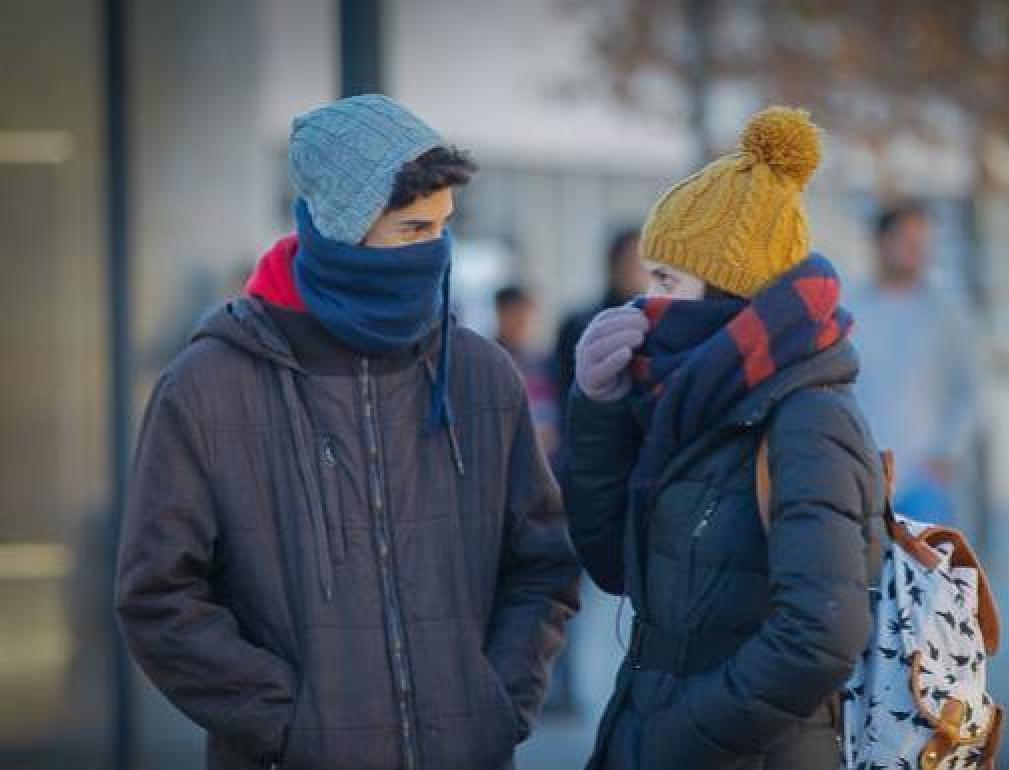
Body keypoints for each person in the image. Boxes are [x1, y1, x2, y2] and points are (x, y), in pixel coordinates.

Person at [115, 95, 579, 770]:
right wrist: (288, 723)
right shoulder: (208, 386)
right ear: (340, 225)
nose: (436, 251)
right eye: (413, 229)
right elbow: (158, 596)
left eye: (443, 228)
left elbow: (541, 563)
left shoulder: (482, 375)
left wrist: (496, 703)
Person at [564, 107, 882, 770]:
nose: (643, 304)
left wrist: (673, 742)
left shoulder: (807, 420)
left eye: (665, 282)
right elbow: (614, 566)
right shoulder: (692, 407)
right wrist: (598, 410)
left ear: (729, 296)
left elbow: (820, 635)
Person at [845, 202, 981, 526]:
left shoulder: (947, 313)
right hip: (861, 477)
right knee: (868, 575)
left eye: (923, 242)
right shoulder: (850, 309)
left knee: (929, 574)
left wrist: (946, 456)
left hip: (925, 484)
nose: (917, 250)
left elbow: (971, 391)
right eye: (906, 240)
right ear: (881, 242)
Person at [553, 226, 647, 422]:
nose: (641, 275)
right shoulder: (579, 323)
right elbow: (563, 391)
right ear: (614, 266)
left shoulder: (658, 323)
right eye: (633, 264)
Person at [495, 284, 560, 460]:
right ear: (500, 315)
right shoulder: (487, 363)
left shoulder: (546, 361)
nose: (520, 323)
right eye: (513, 315)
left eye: (525, 315)